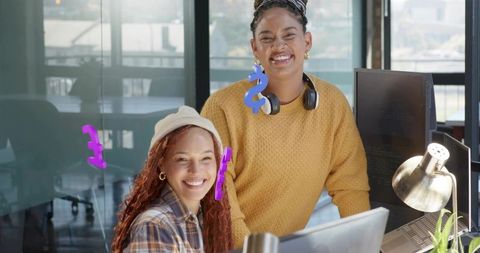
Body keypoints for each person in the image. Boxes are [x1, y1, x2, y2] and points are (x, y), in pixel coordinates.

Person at [201, 0, 370, 248]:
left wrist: (362, 244)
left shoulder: (332, 103)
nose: (279, 46)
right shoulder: (222, 108)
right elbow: (219, 195)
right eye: (267, 38)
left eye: (289, 35)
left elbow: (350, 186)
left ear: (307, 42)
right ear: (255, 48)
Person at [111, 106, 233, 253]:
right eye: (182, 159)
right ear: (161, 164)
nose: (196, 170)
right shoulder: (155, 225)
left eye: (206, 158)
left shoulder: (205, 217)